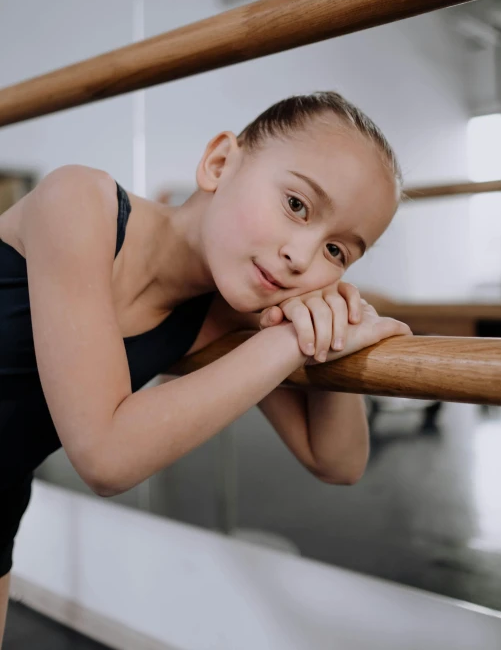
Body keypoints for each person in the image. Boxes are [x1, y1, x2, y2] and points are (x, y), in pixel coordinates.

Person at [0, 91, 410, 643]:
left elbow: (337, 460)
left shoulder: (232, 316)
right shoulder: (77, 201)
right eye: (296, 205)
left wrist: (332, 326)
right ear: (220, 163)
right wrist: (286, 343)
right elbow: (104, 454)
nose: (302, 257)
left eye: (338, 252)